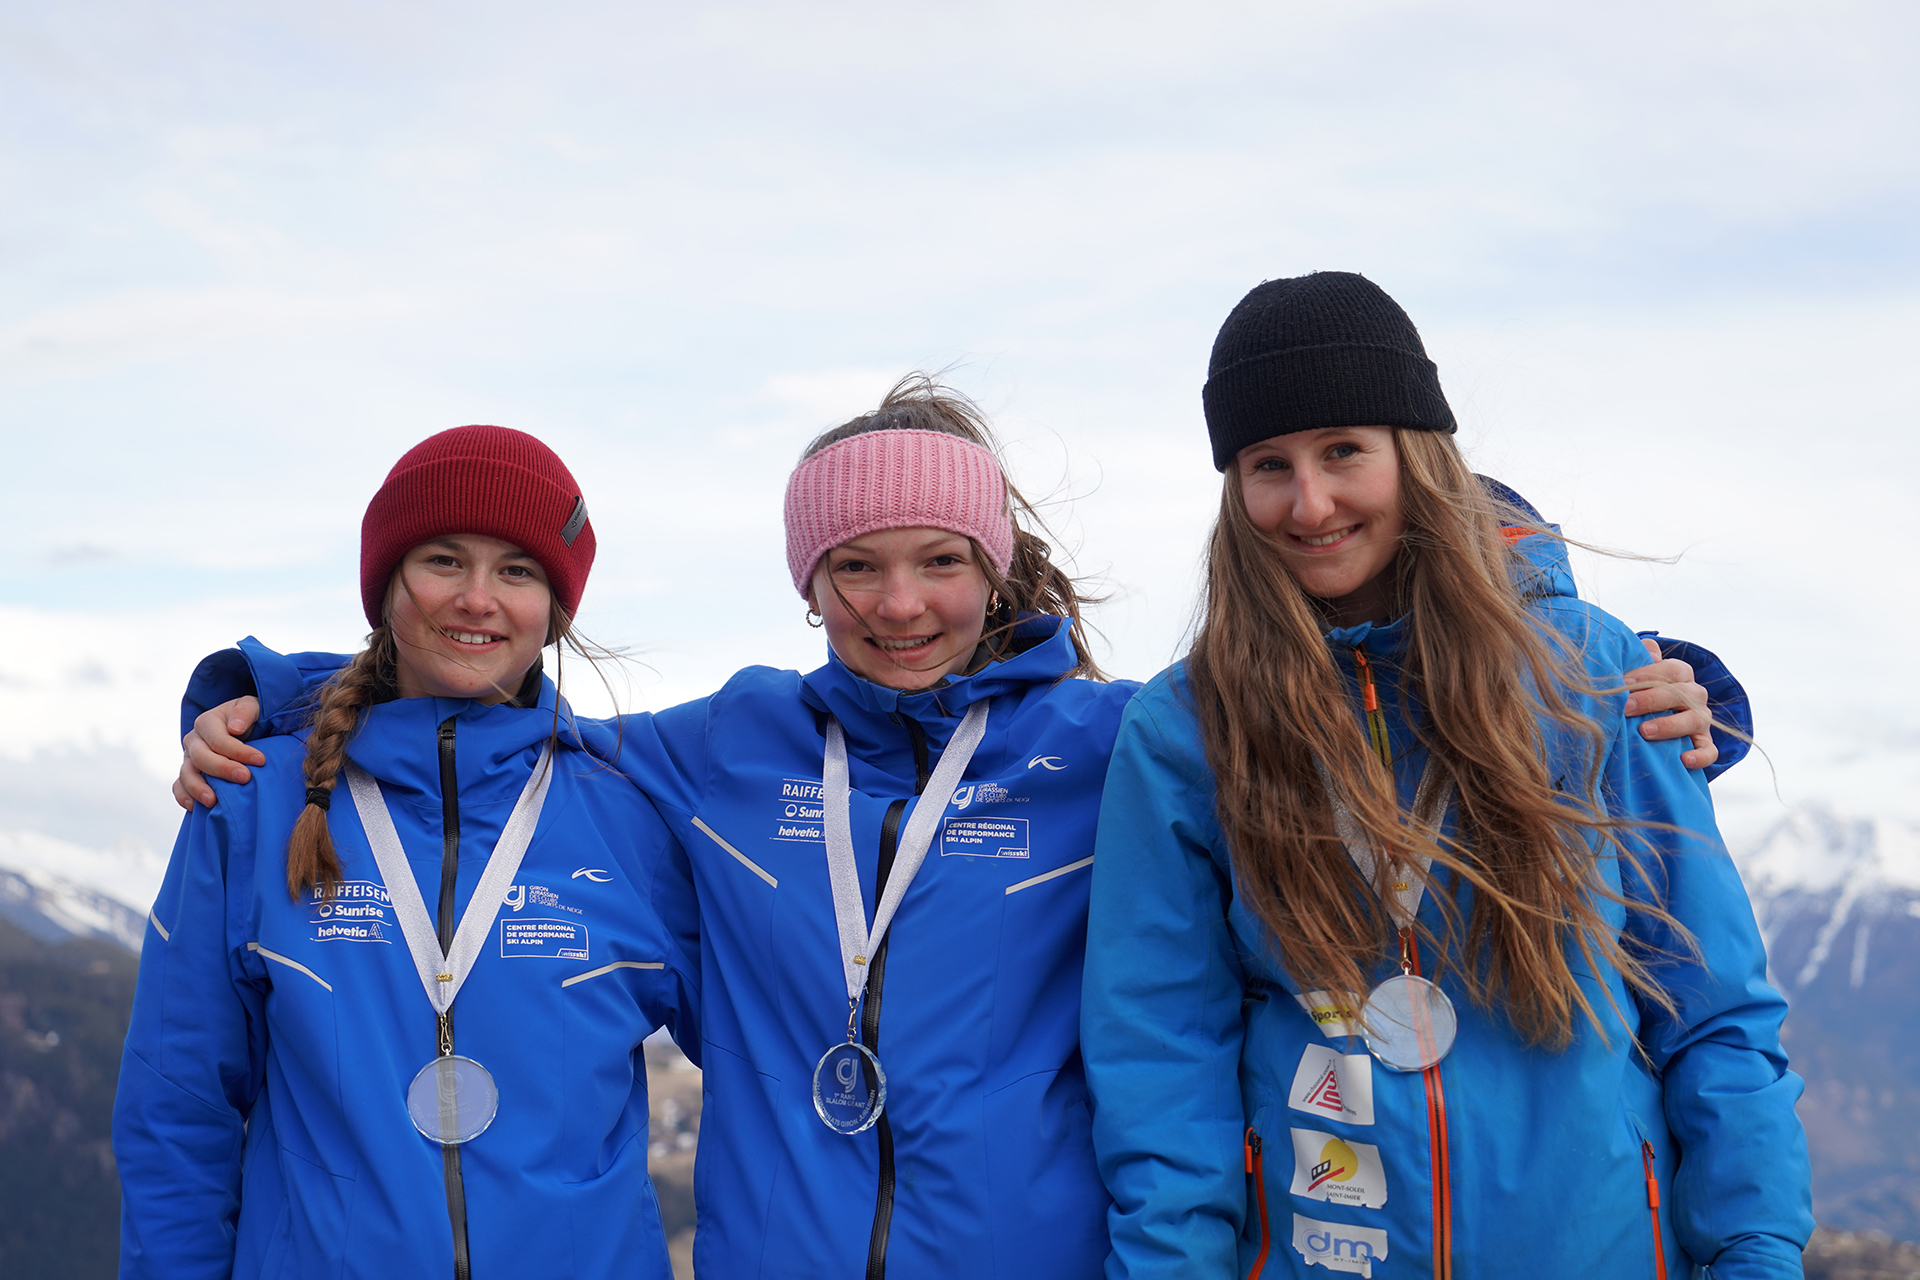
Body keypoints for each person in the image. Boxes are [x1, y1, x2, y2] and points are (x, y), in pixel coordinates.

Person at [167, 379, 1730, 1279]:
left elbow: (1367, 695)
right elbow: (492, 723)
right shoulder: (714, 754)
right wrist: (269, 690)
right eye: (854, 566)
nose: (897, 604)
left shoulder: (1126, 745)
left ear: (997, 572)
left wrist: (1679, 690)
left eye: (935, 562)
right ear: (806, 583)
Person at [1080, 273, 1811, 1280]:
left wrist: (1756, 1254)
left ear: (1416, 453)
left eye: (1344, 451)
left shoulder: (1592, 674)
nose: (1310, 501)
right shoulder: (1189, 728)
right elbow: (1160, 1057)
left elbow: (1715, 1011)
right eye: (1268, 464)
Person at [113, 426, 698, 1280]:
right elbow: (177, 1116)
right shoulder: (252, 800)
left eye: (518, 570)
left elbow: (773, 1056)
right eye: (442, 560)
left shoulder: (632, 815)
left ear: (557, 609)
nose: (477, 598)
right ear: (385, 585)